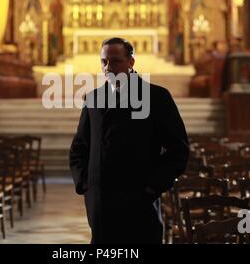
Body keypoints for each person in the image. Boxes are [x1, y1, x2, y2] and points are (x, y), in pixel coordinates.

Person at [69, 37, 189, 244]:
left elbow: (178, 150)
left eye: (115, 61)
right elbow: (79, 147)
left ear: (131, 62)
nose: (108, 68)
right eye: (104, 62)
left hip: (139, 202)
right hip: (101, 205)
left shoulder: (156, 97)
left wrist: (152, 187)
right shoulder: (93, 98)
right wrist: (85, 185)